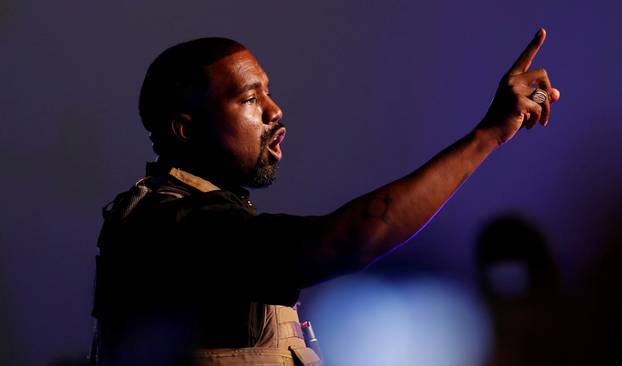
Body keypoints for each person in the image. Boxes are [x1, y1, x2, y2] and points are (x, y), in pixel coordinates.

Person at [90, 29, 560, 366]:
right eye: (250, 99)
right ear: (186, 130)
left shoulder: (211, 218)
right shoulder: (170, 224)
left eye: (268, 93)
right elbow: (348, 239)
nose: (275, 110)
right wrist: (487, 136)